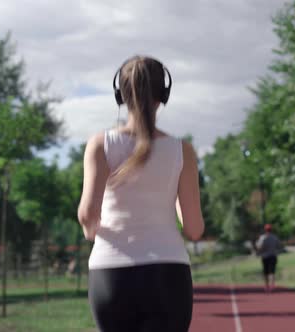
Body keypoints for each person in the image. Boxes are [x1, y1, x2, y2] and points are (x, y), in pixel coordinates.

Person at [78, 55, 205, 332]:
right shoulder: (182, 151)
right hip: (167, 273)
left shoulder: (101, 144)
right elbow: (194, 229)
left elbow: (88, 214)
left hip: (111, 273)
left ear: (120, 95)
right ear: (164, 95)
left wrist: (92, 232)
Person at [256, 224, 283, 292]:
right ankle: (272, 286)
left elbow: (259, 247)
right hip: (273, 256)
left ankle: (266, 286)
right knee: (272, 272)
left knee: (266, 272)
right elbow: (279, 245)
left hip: (265, 256)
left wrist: (259, 251)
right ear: (271, 230)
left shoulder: (262, 237)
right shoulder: (274, 237)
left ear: (265, 230)